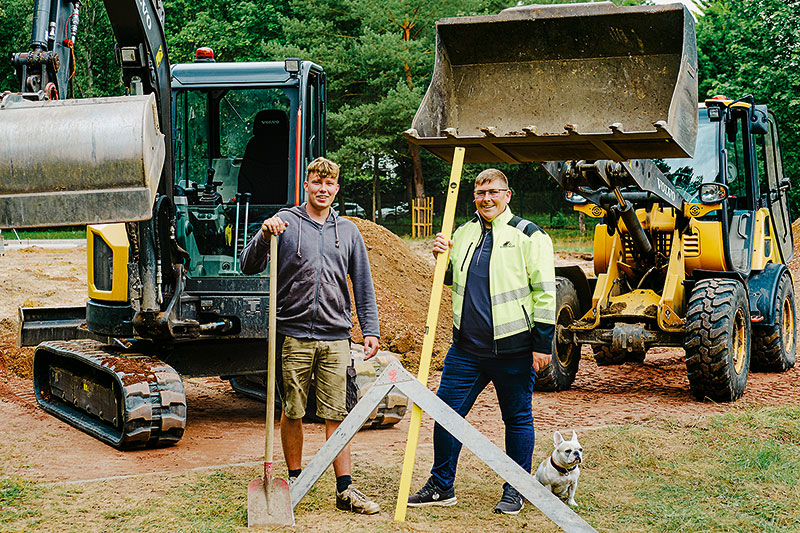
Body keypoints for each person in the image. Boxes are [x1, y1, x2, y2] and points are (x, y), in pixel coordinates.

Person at [407, 168, 556, 515]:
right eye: (480, 193)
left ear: (508, 195)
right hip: (466, 350)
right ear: (473, 196)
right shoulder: (463, 233)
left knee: (517, 418)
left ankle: (515, 488)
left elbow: (545, 294)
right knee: (445, 415)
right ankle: (442, 486)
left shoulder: (530, 235)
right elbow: (450, 279)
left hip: (514, 349)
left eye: (493, 191)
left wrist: (542, 344)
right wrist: (440, 255)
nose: (486, 198)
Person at [240, 156, 381, 515]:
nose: (323, 189)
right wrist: (263, 234)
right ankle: (296, 480)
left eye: (329, 184)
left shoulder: (347, 230)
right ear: (306, 185)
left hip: (336, 336)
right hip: (294, 334)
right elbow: (249, 264)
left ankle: (344, 489)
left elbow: (362, 284)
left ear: (337, 188)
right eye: (316, 183)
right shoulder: (285, 223)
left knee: (339, 412)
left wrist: (370, 330)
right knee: (294, 409)